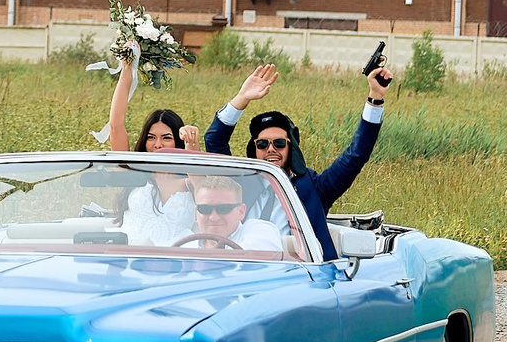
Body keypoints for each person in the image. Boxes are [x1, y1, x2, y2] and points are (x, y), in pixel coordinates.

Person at [201, 59, 395, 262]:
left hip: (301, 276)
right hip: (245, 273)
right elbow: (214, 140)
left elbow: (356, 155)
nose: (271, 150)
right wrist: (241, 99)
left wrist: (375, 98)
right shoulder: (240, 186)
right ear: (254, 149)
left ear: (290, 147)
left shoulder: (313, 187)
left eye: (278, 143)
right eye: (262, 144)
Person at [105, 47, 194, 244]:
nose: (158, 144)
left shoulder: (191, 178)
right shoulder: (134, 174)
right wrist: (128, 68)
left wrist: (192, 147)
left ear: (178, 142)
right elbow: (116, 125)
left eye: (166, 137)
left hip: (178, 258)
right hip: (131, 255)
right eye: (151, 137)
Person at [174, 174, 302, 257]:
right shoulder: (183, 244)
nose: (214, 217)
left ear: (241, 211)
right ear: (197, 213)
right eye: (205, 209)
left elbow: (253, 265)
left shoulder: (260, 230)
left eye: (223, 208)